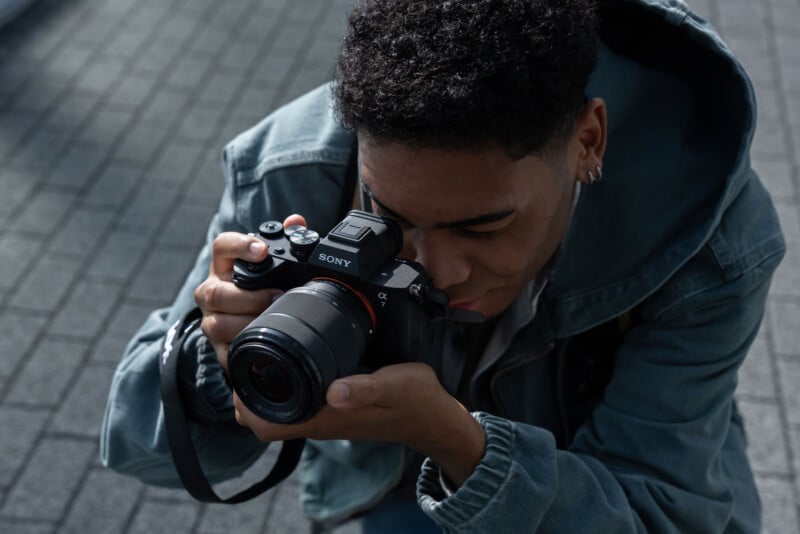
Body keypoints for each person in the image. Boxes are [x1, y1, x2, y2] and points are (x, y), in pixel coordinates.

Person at [100, 0, 786, 532]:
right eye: (386, 218)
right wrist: (215, 367)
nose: (439, 269)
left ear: (587, 141)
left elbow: (657, 509)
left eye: (483, 226)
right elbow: (136, 443)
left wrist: (460, 445)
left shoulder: (709, 241)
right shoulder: (298, 172)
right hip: (387, 486)